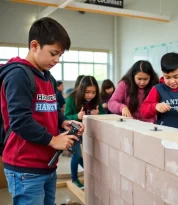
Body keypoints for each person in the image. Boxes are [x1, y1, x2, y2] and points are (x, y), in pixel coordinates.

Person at [0, 17, 84, 205]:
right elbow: (20, 121)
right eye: (53, 53)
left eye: (60, 55)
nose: (57, 60)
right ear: (35, 45)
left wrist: (63, 121)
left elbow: (52, 108)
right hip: (25, 167)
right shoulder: (18, 75)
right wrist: (53, 140)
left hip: (47, 165)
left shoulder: (48, 77)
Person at [64, 75, 106, 188]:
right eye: (87, 92)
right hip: (75, 131)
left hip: (90, 132)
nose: (90, 95)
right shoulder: (72, 98)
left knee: (82, 156)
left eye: (93, 92)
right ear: (81, 89)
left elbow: (104, 115)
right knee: (76, 154)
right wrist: (76, 116)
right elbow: (65, 117)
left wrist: (98, 114)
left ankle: (89, 172)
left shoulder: (96, 100)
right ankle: (74, 179)